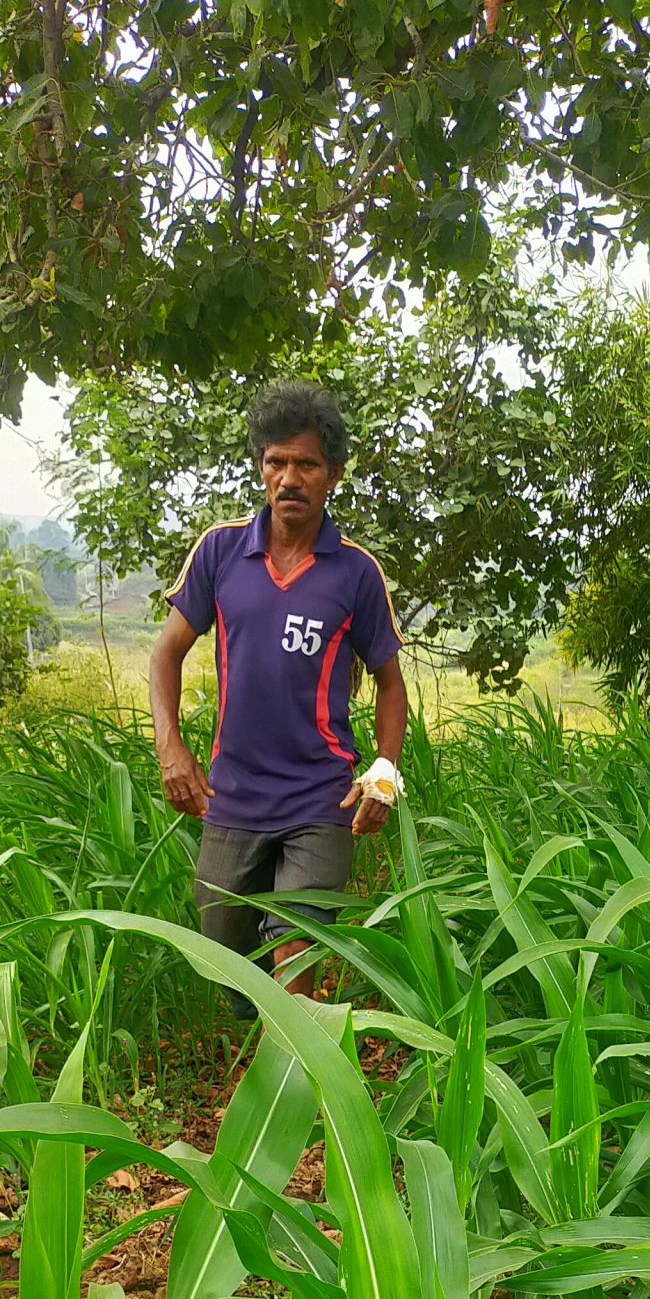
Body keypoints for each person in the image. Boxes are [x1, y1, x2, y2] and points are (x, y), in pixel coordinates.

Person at [148, 382, 409, 999]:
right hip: (232, 797)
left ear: (333, 475)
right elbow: (165, 653)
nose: (290, 478)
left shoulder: (355, 571)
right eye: (276, 462)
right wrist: (170, 747)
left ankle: (293, 1082)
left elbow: (391, 684)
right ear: (262, 467)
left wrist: (384, 774)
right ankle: (265, 1050)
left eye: (306, 464)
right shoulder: (221, 550)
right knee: (230, 967)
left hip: (322, 799)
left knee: (294, 955)